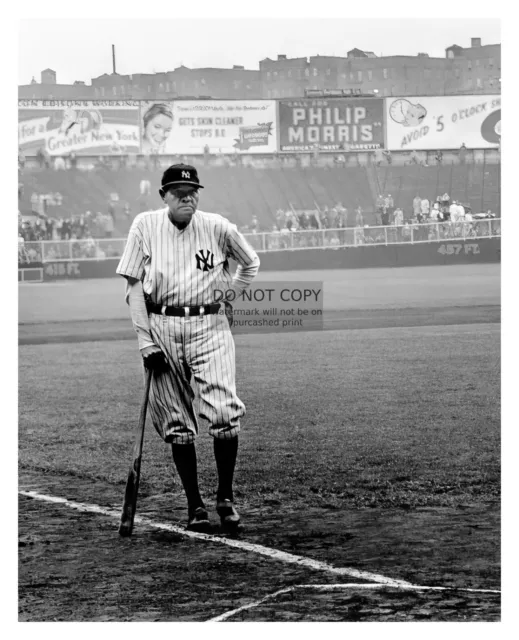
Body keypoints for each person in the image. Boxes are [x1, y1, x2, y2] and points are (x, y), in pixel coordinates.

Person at [116, 163, 260, 532]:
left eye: (192, 190)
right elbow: (133, 288)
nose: (187, 196)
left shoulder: (217, 226)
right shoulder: (145, 225)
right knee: (177, 423)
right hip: (162, 324)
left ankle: (225, 499)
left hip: (210, 326)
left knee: (225, 411)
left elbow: (251, 262)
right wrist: (145, 340)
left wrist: (230, 294)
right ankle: (194, 505)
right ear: (163, 195)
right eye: (178, 191)